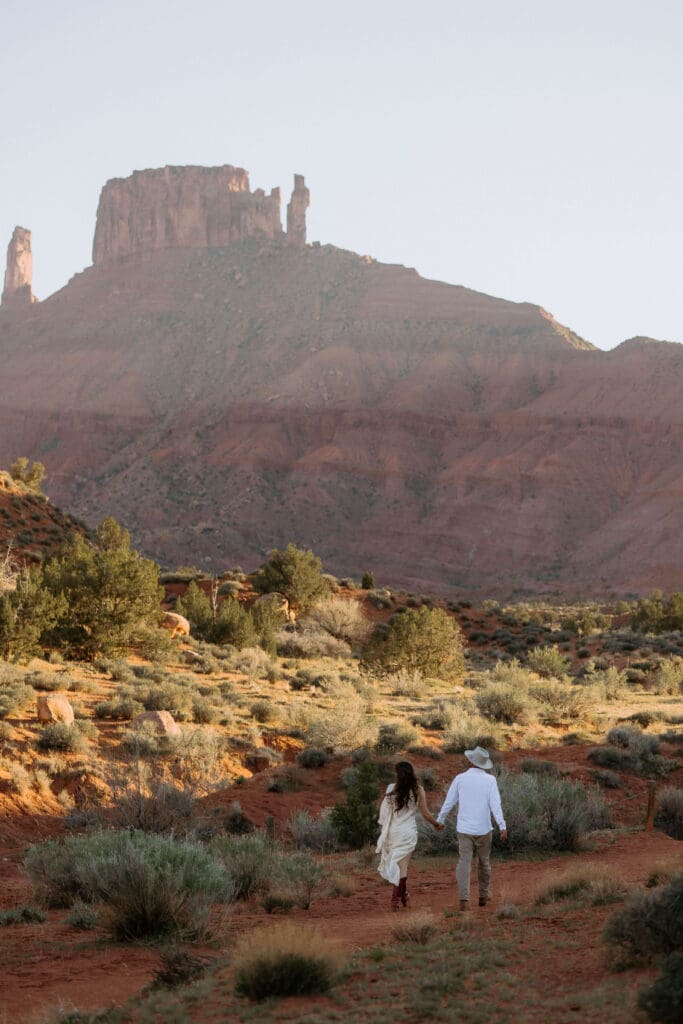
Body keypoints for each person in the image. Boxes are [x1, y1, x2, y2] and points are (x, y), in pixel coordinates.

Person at [436, 746, 507, 911]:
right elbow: (495, 805)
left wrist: (440, 819)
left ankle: (464, 900)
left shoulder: (460, 778)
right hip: (484, 829)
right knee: (484, 863)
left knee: (464, 862)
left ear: (471, 761)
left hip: (464, 829)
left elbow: (449, 801)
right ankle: (483, 895)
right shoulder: (490, 781)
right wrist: (502, 825)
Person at [376, 760, 443, 911]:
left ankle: (403, 896)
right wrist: (436, 824)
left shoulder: (391, 789)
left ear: (397, 774)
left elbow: (384, 813)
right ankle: (395, 900)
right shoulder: (418, 790)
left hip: (393, 832)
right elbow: (425, 813)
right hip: (408, 832)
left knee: (399, 865)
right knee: (403, 866)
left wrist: (384, 829)